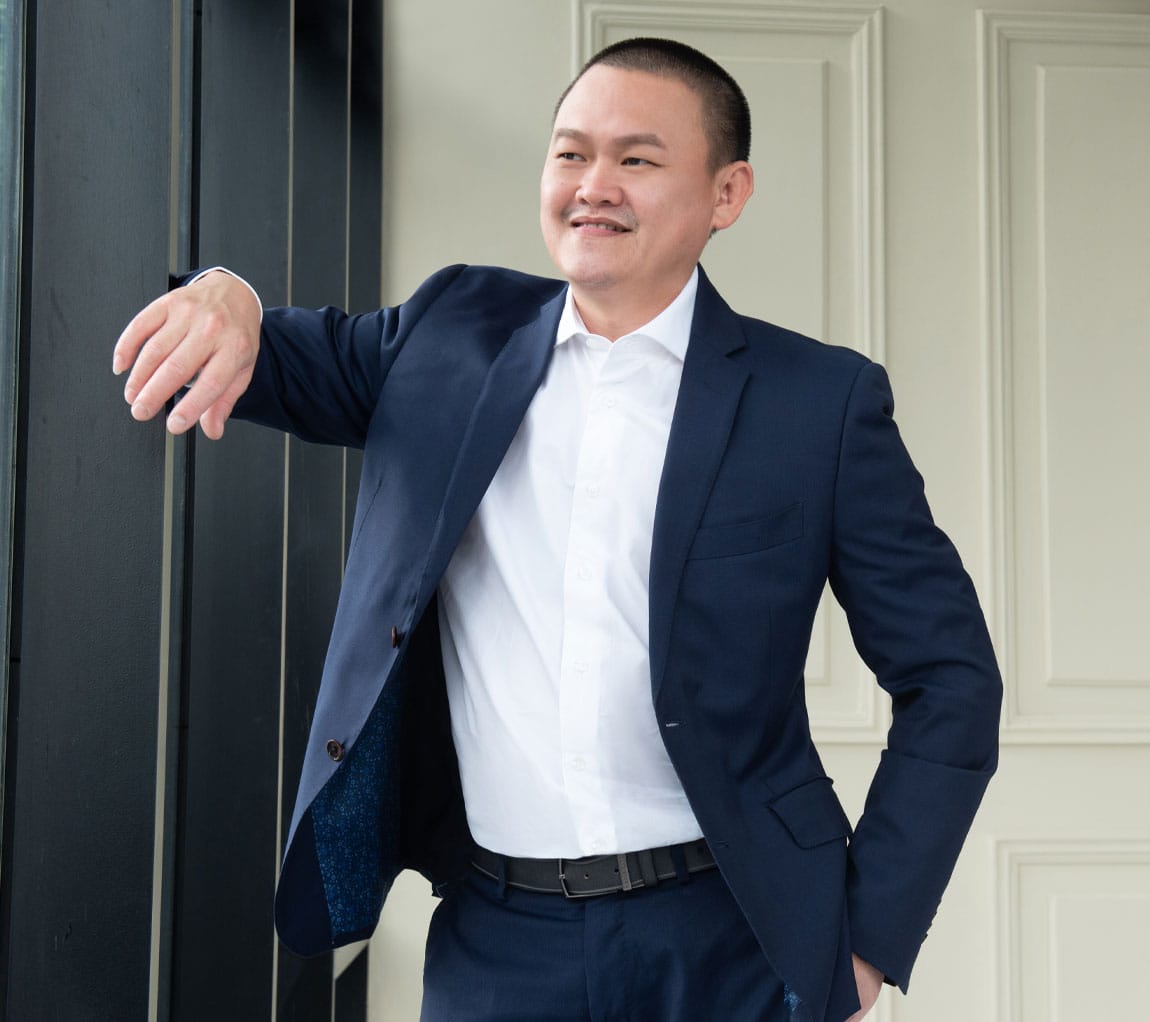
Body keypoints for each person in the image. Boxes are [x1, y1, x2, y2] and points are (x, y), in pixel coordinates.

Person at [113, 37, 1000, 1022]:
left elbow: (951, 676)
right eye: (571, 153)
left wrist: (870, 938)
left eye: (637, 158)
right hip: (498, 941)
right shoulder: (447, 336)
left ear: (727, 193)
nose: (594, 185)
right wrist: (225, 290)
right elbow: (260, 353)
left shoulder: (818, 404)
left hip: (733, 935)